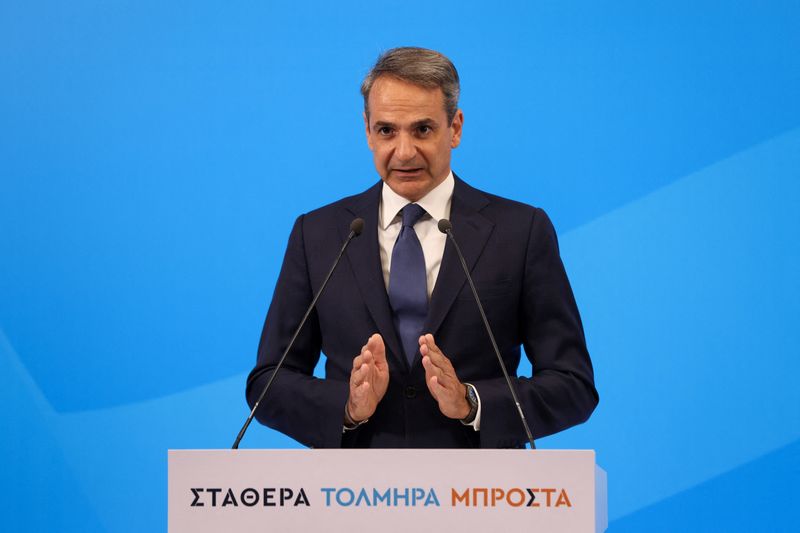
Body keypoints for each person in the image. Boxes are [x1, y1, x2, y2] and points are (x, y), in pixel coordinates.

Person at [246, 47, 598, 448]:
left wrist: (472, 403)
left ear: (456, 128)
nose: (404, 152)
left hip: (480, 498)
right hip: (352, 498)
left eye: (423, 130)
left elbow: (573, 385)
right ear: (366, 130)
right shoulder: (319, 234)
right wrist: (347, 406)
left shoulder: (520, 231)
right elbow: (267, 384)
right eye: (386, 131)